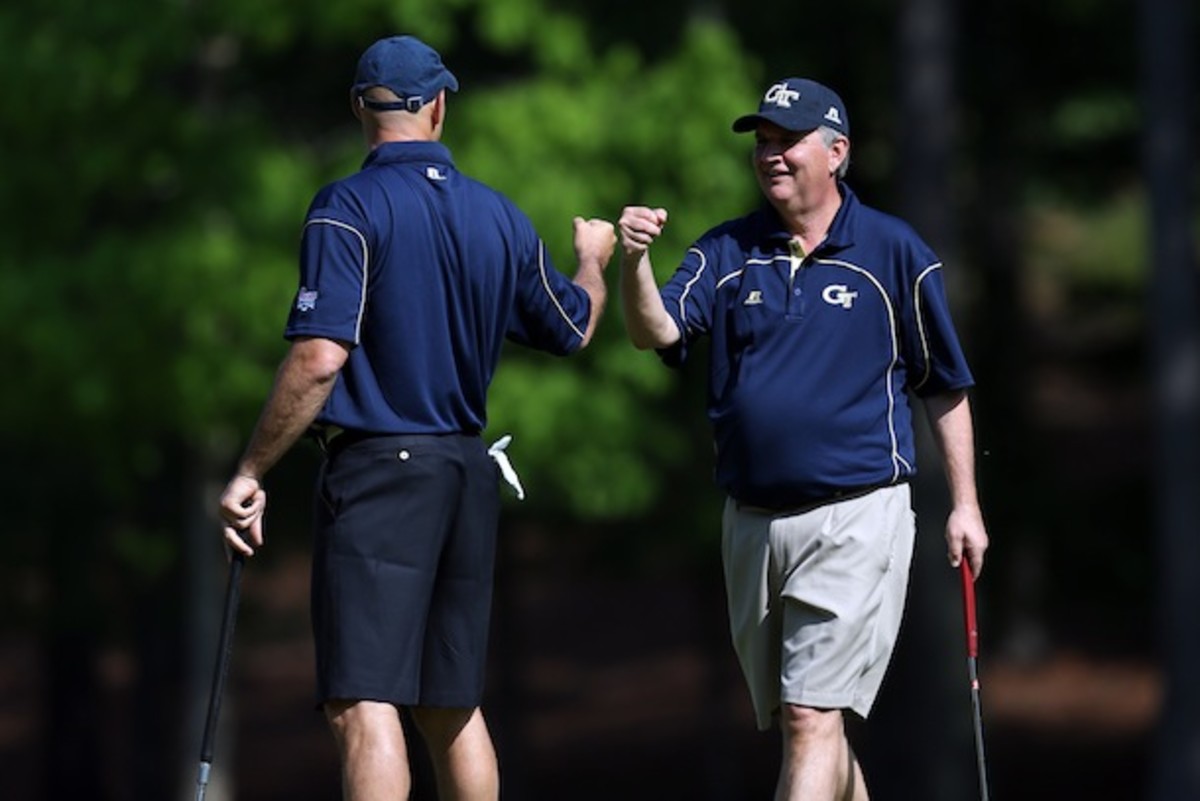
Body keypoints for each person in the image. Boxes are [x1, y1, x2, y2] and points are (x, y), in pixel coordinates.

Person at [217, 35, 615, 801]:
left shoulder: (347, 206)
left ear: (359, 111)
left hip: (378, 476)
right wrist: (593, 257)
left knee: (363, 702)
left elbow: (319, 357)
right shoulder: (497, 214)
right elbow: (571, 328)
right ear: (437, 106)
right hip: (465, 474)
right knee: (449, 705)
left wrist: (250, 470)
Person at [617, 77, 989, 800]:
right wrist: (631, 262)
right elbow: (655, 332)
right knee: (812, 726)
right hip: (752, 522)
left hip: (857, 514)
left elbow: (943, 383)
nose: (771, 155)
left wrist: (965, 503)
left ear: (837, 151)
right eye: (762, 142)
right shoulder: (728, 250)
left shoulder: (893, 251)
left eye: (788, 140)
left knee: (809, 716)